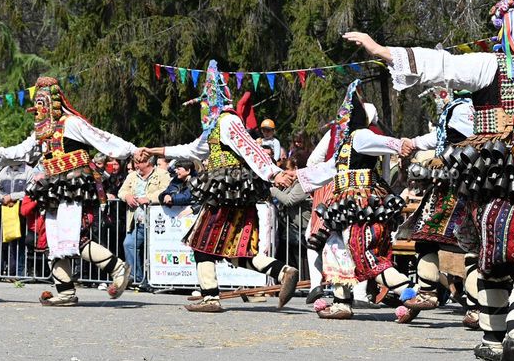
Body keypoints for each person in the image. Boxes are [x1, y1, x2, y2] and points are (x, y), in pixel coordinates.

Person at [345, 0, 514, 361]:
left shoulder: (489, 65)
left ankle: (493, 338)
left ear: (504, 30)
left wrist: (380, 50)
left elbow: (440, 64)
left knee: (492, 260)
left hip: (492, 179)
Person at [143, 60, 299, 313]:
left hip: (226, 190)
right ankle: (282, 271)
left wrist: (274, 173)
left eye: (205, 101)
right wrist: (157, 150)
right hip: (231, 191)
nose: (203, 107)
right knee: (236, 248)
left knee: (200, 241)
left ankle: (210, 298)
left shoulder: (227, 121)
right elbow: (192, 149)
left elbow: (251, 149)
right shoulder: (214, 127)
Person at [0, 76, 137, 306]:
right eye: (37, 103)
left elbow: (101, 138)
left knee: (74, 238)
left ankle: (117, 268)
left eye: (42, 102)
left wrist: (132, 150)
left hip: (74, 188)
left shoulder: (72, 123)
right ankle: (65, 291)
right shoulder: (42, 130)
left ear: (53, 101)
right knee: (54, 240)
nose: (39, 108)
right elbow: (23, 149)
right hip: (53, 189)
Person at [295, 80, 412, 320]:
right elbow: (328, 169)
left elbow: (385, 143)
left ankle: (411, 294)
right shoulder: (345, 144)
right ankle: (341, 302)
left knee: (363, 253)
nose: (341, 121)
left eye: (345, 115)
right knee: (335, 249)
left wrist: (401, 144)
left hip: (359, 204)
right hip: (343, 205)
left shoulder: (361, 136)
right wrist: (292, 176)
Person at [396, 89, 479, 326]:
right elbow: (439, 137)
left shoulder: (462, 109)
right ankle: (473, 308)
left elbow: (471, 138)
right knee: (471, 249)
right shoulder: (467, 108)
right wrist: (413, 143)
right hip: (469, 185)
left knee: (432, 241)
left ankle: (429, 292)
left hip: (455, 186)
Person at [118, 153, 170, 290]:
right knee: (129, 244)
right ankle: (136, 278)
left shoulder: (162, 174)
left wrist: (149, 198)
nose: (136, 165)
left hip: (156, 221)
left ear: (148, 162)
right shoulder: (132, 176)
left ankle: (157, 280)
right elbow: (121, 191)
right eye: (135, 162)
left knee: (153, 250)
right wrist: (127, 196)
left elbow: (166, 191)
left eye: (139, 162)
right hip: (137, 221)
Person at [0, 159, 32, 278]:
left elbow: (29, 191)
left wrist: (12, 197)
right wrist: (3, 198)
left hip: (22, 212)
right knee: (6, 242)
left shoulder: (29, 171)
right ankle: (9, 272)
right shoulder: (3, 172)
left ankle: (19, 272)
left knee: (20, 243)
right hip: (6, 211)